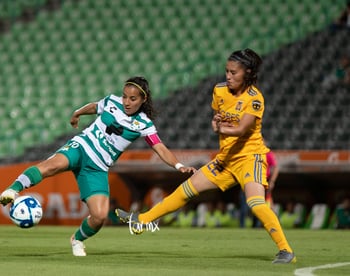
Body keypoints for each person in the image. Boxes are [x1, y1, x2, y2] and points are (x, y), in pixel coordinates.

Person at [116, 49, 296, 264]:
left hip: (250, 157)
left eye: (233, 73)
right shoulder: (219, 91)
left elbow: (241, 129)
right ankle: (143, 220)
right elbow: (218, 116)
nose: (228, 76)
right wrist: (216, 121)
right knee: (186, 189)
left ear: (248, 72)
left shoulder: (255, 99)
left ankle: (286, 250)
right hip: (225, 160)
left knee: (256, 203)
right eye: (226, 71)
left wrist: (219, 129)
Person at [0, 76, 196, 256]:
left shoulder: (144, 124)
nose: (126, 102)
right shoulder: (111, 101)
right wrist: (77, 114)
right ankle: (13, 190)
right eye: (125, 96)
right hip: (82, 147)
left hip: (98, 167)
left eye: (132, 99)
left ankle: (77, 240)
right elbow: (94, 106)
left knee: (100, 216)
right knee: (51, 166)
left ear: (143, 100)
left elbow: (160, 148)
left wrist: (178, 165)